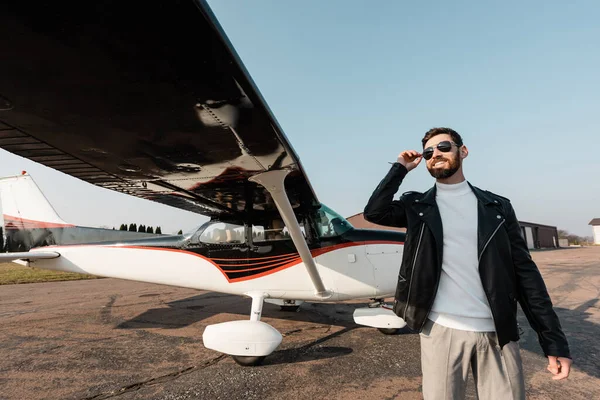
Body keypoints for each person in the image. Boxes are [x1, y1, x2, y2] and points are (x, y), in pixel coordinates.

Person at [364, 127, 571, 399]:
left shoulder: (498, 207)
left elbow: (525, 274)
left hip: (498, 332)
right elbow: (374, 211)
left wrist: (553, 340)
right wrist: (401, 168)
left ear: (463, 151)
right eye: (428, 152)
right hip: (440, 329)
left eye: (443, 147)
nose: (435, 154)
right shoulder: (416, 206)